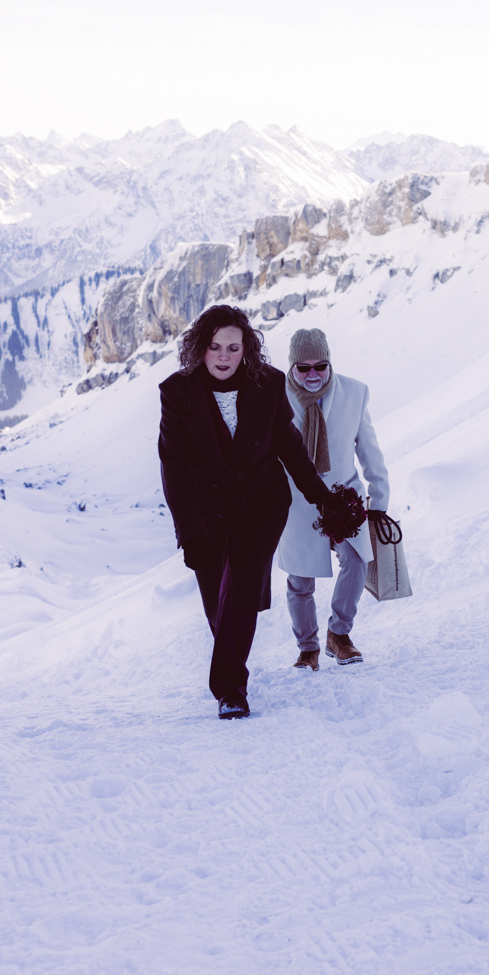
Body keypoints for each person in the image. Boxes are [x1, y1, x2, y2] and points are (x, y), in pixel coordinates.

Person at [158, 305, 354, 719]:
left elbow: (290, 447)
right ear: (201, 347)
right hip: (207, 511)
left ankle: (230, 690)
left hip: (261, 504)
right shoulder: (177, 392)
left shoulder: (268, 383)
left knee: (241, 592)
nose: (224, 356)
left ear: (246, 348)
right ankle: (231, 670)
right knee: (218, 604)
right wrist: (189, 533)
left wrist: (322, 497)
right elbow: (173, 468)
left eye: (233, 347)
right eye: (215, 346)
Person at [278, 327, 389, 669]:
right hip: (297, 503)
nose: (313, 374)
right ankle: (308, 648)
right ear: (292, 366)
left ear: (329, 363)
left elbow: (369, 450)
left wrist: (379, 502)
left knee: (356, 561)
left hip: (344, 498)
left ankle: (339, 634)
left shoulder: (354, 392)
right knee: (300, 581)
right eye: (303, 368)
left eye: (320, 366)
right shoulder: (274, 396)